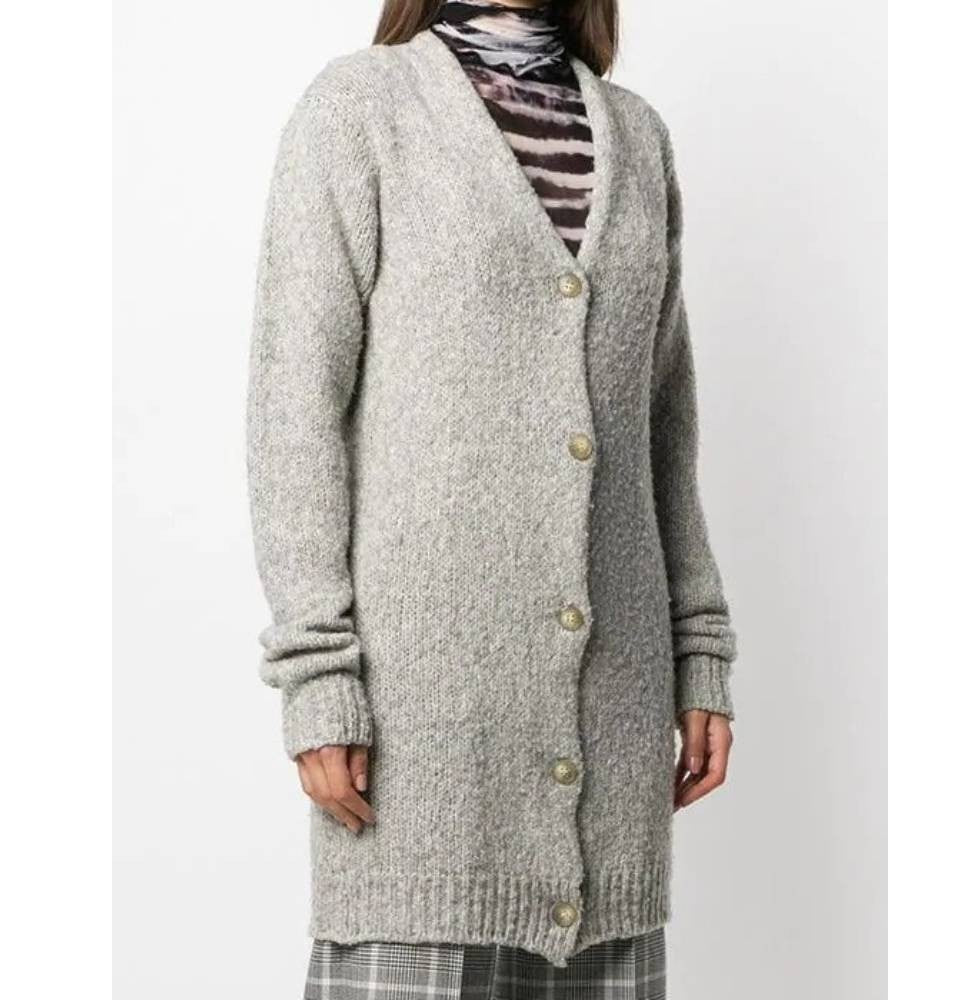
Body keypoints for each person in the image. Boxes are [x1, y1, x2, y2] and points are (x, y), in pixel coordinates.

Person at [246, 2, 738, 997]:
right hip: (418, 728)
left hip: (611, 724)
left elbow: (662, 426)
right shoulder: (360, 109)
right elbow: (292, 413)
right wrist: (317, 675)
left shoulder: (636, 137)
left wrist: (701, 652)